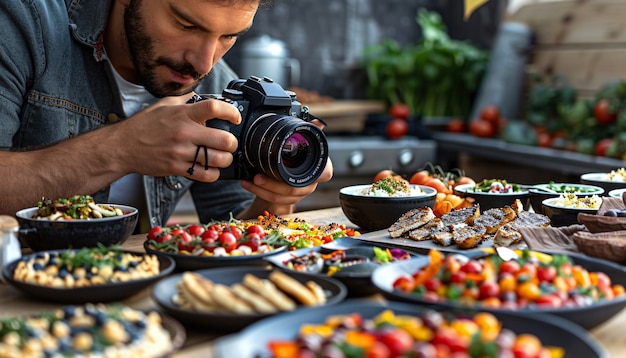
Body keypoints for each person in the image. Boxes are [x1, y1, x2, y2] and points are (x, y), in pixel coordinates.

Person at [0, 0, 333, 231]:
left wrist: (276, 197)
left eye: (229, 36)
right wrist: (120, 149)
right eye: (187, 24)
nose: (204, 63)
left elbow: (233, 229)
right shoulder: (22, 23)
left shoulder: (216, 84)